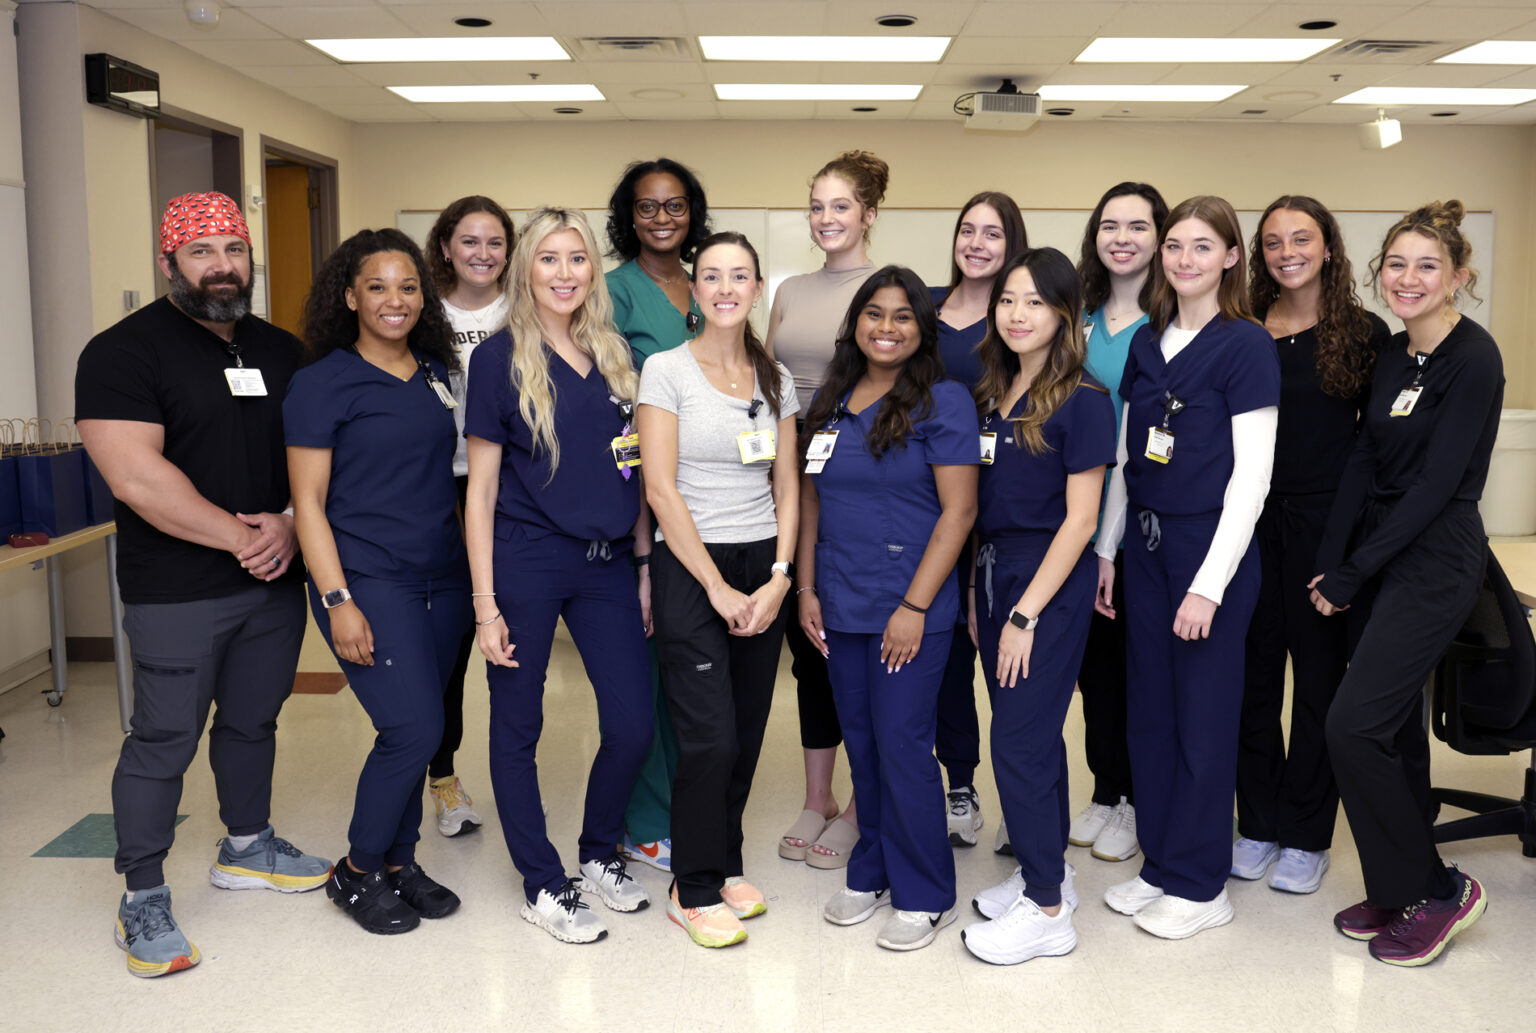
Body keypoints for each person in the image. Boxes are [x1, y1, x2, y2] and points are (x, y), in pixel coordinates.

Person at [77, 191, 330, 978]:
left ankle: (246, 846)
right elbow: (135, 475)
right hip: (177, 588)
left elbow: (316, 456)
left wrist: (288, 521)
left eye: (234, 250)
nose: (222, 266)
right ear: (169, 263)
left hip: (273, 583)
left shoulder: (283, 350)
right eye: (202, 251)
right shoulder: (123, 353)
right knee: (163, 739)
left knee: (254, 720)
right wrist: (242, 535)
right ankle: (141, 894)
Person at [1313, 200, 1500, 967]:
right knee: (1390, 732)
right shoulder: (1393, 352)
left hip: (1436, 554)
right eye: (1397, 263)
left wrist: (1359, 566)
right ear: (1379, 271)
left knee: (1348, 725)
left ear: (1459, 277)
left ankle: (1440, 885)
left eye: (1428, 265)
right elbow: (1364, 461)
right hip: (1378, 546)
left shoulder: (1474, 357)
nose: (1409, 278)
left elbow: (1435, 489)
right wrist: (1335, 556)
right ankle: (1399, 888)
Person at [464, 207, 655, 944]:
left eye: (578, 258)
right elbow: (478, 490)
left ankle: (598, 850)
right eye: (549, 259)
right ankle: (543, 882)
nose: (565, 272)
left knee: (633, 721)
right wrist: (485, 602)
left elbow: (632, 469)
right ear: (525, 269)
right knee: (519, 725)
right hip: (527, 559)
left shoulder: (613, 354)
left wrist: (642, 563)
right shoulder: (497, 360)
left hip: (607, 563)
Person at [1095, 195, 1279, 939]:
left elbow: (1253, 478)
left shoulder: (1247, 345)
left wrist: (1209, 583)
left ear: (1232, 257)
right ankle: (1163, 865)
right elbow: (1125, 455)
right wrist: (1108, 548)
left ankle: (1203, 885)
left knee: (1202, 720)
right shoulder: (1148, 341)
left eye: (1204, 247)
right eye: (1176, 245)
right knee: (1152, 714)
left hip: (1211, 549)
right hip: (1142, 545)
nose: (1184, 259)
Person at [285, 228, 468, 935]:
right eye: (379, 286)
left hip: (442, 577)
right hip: (367, 578)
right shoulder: (322, 382)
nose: (396, 300)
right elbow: (308, 503)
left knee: (431, 726)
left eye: (409, 286)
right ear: (350, 294)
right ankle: (357, 871)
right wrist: (337, 601)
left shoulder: (433, 373)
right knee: (410, 727)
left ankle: (401, 863)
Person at [801, 266, 979, 952]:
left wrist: (913, 604)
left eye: (903, 316)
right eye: (874, 313)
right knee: (866, 743)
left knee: (903, 746)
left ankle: (926, 891)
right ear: (856, 323)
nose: (886, 327)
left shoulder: (944, 400)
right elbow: (814, 501)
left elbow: (959, 511)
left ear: (921, 329)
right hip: (841, 601)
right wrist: (808, 589)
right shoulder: (834, 398)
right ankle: (871, 866)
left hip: (910, 605)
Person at [637, 230, 799, 947]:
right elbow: (660, 489)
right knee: (706, 737)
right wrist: (717, 588)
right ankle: (692, 886)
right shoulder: (665, 370)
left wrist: (779, 576)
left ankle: (723, 859)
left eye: (740, 275)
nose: (726, 287)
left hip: (762, 564)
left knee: (745, 730)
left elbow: (788, 486)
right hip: (690, 563)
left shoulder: (776, 377)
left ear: (757, 288)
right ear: (695, 291)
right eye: (712, 276)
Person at [962, 248, 1116, 965]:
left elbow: (1080, 521)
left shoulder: (1083, 399)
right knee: (1034, 736)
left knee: (1018, 741)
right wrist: (976, 593)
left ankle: (1049, 909)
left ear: (1065, 313)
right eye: (1008, 300)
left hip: (1043, 585)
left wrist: (1023, 614)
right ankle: (1042, 870)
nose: (1018, 314)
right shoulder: (994, 387)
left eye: (1035, 301)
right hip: (993, 573)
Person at [1232, 196, 1389, 894]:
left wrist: (1344, 551)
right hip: (1249, 522)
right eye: (1272, 241)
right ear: (1258, 254)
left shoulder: (1363, 332)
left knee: (1319, 684)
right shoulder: (1243, 331)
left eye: (1302, 238)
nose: (1286, 250)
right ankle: (1258, 822)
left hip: (1326, 526)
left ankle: (1305, 835)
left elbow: (1372, 449)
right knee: (1252, 680)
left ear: (1329, 246)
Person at [766, 149, 887, 868]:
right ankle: (820, 797)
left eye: (840, 206)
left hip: (859, 479)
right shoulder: (788, 290)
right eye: (816, 206)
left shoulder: (889, 288)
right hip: (788, 477)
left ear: (870, 213)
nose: (825, 219)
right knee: (808, 646)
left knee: (857, 640)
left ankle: (867, 800)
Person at [604, 158, 711, 872]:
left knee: (689, 670)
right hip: (644, 500)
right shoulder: (611, 292)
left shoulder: (709, 283)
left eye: (675, 206)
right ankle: (643, 819)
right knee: (645, 671)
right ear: (628, 216)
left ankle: (685, 805)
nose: (663, 219)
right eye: (648, 208)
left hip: (710, 502)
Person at [1068, 182, 1169, 864]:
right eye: (1110, 224)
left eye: (1138, 225)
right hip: (1072, 524)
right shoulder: (1077, 320)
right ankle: (1105, 790)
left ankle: (1135, 797)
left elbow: (1136, 449)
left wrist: (1110, 541)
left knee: (1138, 670)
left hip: (1132, 531)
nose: (1122, 237)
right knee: (1092, 671)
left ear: (1161, 237)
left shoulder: (1165, 328)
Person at [929, 190, 1028, 849]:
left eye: (993, 233)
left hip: (998, 507)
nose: (978, 243)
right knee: (944, 661)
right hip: (926, 508)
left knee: (1004, 663)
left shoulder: (1020, 318)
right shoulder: (924, 309)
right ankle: (958, 785)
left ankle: (1022, 803)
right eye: (968, 229)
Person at [419, 194, 516, 838]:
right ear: (446, 247)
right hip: (442, 485)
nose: (482, 254)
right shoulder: (423, 312)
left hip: (517, 487)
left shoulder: (528, 308)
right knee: (451, 643)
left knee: (516, 635)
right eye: (469, 241)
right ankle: (444, 779)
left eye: (495, 242)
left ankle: (516, 767)